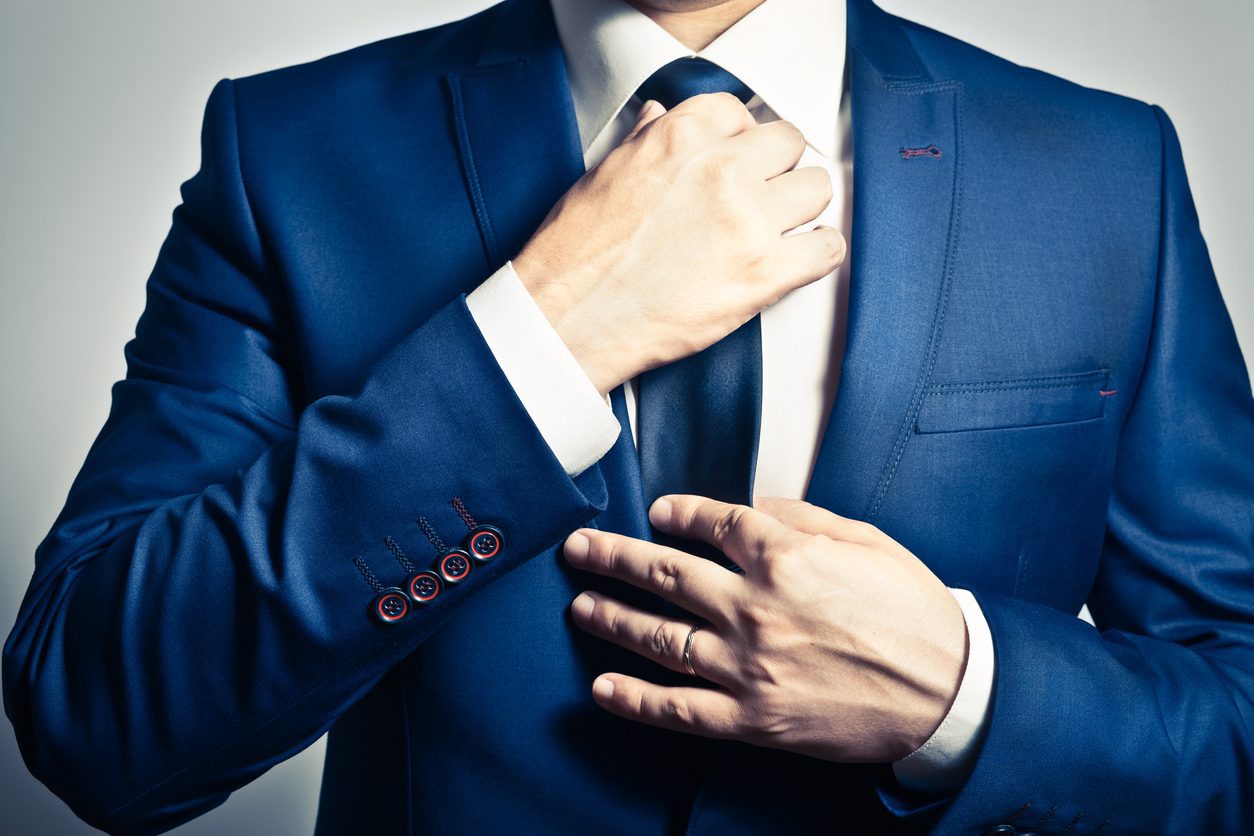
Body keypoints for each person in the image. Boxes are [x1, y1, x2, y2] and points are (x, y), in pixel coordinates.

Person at [4, 0, 1252, 832]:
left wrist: (967, 696)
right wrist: (539, 338)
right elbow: (94, 711)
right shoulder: (287, 153)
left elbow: (1239, 716)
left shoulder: (1103, 171)